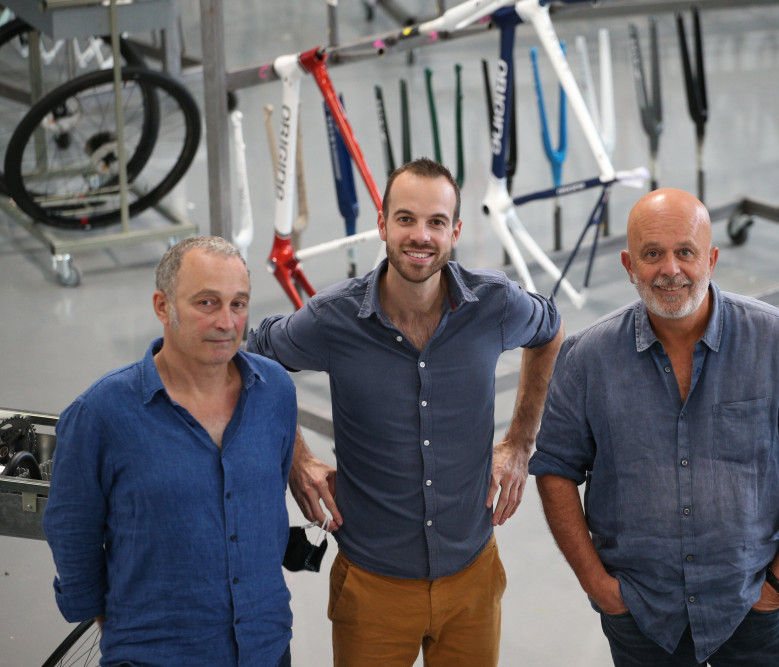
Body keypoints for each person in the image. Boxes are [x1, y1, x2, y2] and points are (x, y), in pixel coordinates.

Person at [247, 157, 564, 666]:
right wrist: (296, 456)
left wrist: (521, 442)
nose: (421, 236)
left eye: (437, 222)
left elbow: (549, 333)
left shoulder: (495, 305)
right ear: (382, 224)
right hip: (373, 586)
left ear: (455, 231)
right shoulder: (333, 319)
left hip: (472, 578)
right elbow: (253, 356)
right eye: (406, 219)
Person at [529, 188, 779, 666]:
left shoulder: (777, 341)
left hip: (753, 611)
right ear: (628, 264)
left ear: (712, 259)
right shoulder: (588, 357)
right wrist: (598, 585)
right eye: (652, 254)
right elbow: (555, 469)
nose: (670, 269)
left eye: (686, 252)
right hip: (643, 617)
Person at [43, 236, 297, 667]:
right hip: (156, 655)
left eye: (239, 304)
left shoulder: (275, 392)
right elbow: (73, 534)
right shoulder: (101, 414)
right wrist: (126, 630)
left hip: (266, 648)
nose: (227, 322)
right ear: (163, 307)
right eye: (207, 303)